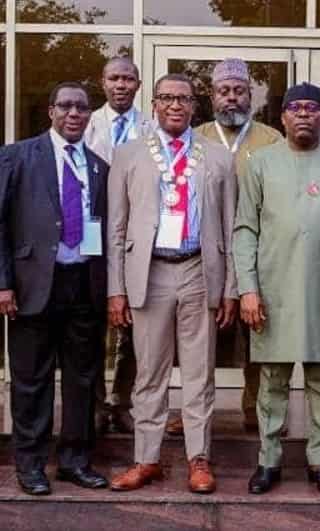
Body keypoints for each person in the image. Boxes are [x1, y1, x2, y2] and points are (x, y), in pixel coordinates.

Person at [234, 83, 320, 496]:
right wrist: (247, 289)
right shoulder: (260, 163)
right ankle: (268, 460)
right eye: (296, 108)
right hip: (271, 292)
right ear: (283, 117)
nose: (304, 115)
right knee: (272, 383)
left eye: (313, 108)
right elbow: (245, 230)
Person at [107, 73, 238, 494]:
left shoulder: (218, 157)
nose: (175, 105)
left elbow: (232, 228)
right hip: (150, 273)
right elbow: (116, 228)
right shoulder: (128, 154)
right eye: (166, 98)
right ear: (155, 104)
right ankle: (146, 459)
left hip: (199, 270)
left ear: (195, 106)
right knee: (150, 372)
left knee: (200, 373)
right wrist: (116, 288)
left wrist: (230, 288)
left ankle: (199, 459)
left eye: (183, 99)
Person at [0, 81, 110, 495]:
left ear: (89, 115)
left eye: (81, 107)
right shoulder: (17, 156)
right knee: (31, 380)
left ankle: (75, 461)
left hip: (83, 285)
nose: (74, 113)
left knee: (82, 380)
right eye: (65, 106)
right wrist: (3, 284)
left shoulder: (99, 166)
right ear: (51, 111)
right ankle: (30, 464)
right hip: (32, 285)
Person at [164, 58, 282, 436]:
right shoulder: (194, 138)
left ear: (250, 95)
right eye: (224, 91)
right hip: (204, 255)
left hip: (257, 255)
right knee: (200, 342)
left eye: (239, 90)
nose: (232, 97)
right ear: (212, 97)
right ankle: (196, 412)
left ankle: (256, 408)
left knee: (257, 336)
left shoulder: (271, 139)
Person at [85, 56, 154, 435]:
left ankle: (121, 401)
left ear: (138, 85)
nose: (121, 85)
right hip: (92, 233)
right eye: (114, 78)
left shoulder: (152, 127)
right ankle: (95, 404)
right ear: (103, 82)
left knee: (134, 326)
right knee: (93, 323)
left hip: (137, 237)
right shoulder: (86, 123)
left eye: (128, 79)